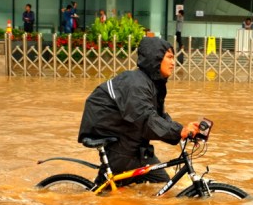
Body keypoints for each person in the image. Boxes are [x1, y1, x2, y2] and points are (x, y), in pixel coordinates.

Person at [78, 37, 200, 187]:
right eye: (169, 57)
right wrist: (179, 131)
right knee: (104, 194)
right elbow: (145, 119)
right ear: (155, 58)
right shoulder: (135, 83)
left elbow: (158, 116)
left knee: (163, 185)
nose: (173, 63)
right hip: (120, 145)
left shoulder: (153, 84)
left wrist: (184, 131)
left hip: (138, 147)